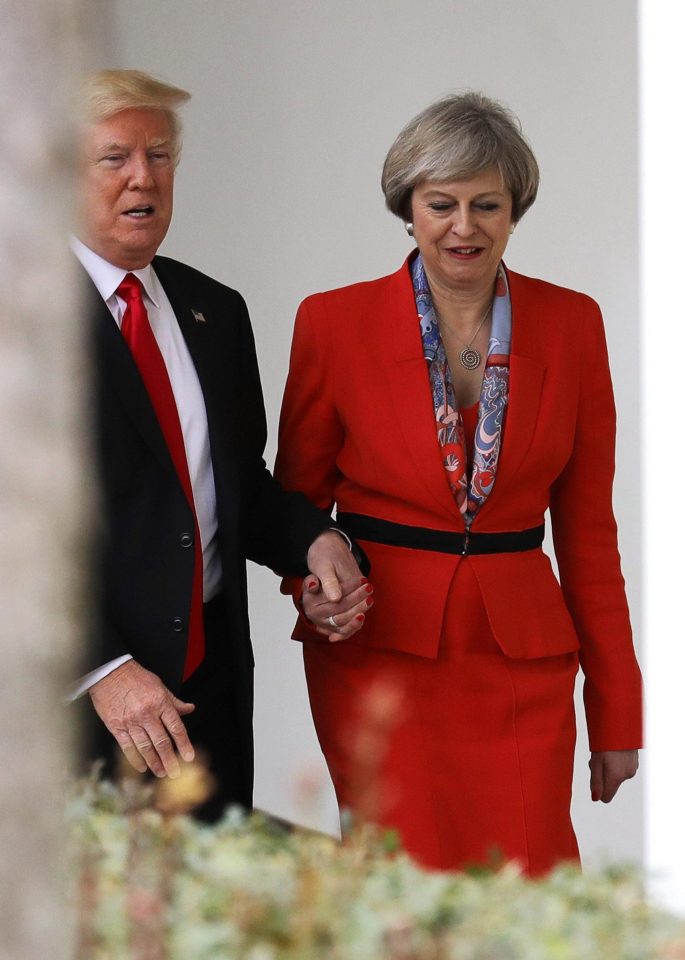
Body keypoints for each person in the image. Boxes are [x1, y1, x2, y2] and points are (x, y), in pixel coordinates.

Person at [275, 92, 642, 874]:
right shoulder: (331, 323)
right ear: (406, 208)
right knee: (399, 887)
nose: (463, 226)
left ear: (515, 212)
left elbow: (587, 535)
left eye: (487, 205)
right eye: (440, 204)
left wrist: (616, 711)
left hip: (522, 661)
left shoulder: (572, 324)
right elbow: (292, 508)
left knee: (530, 883)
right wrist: (309, 585)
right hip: (377, 655)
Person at [72, 70, 369, 820]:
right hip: (79, 710)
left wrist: (314, 541)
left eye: (161, 155)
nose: (144, 176)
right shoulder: (24, 322)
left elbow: (234, 480)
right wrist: (102, 669)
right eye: (115, 158)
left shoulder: (214, 310)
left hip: (209, 699)